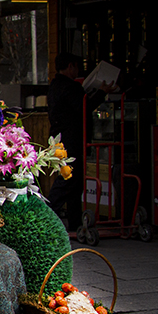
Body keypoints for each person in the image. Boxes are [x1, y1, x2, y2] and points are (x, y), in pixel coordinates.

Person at [46, 53, 97, 233]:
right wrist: (102, 93)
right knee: (67, 180)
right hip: (70, 139)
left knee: (73, 182)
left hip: (59, 139)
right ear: (70, 66)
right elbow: (85, 107)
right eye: (76, 66)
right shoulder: (69, 87)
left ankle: (74, 223)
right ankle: (46, 217)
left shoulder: (55, 85)